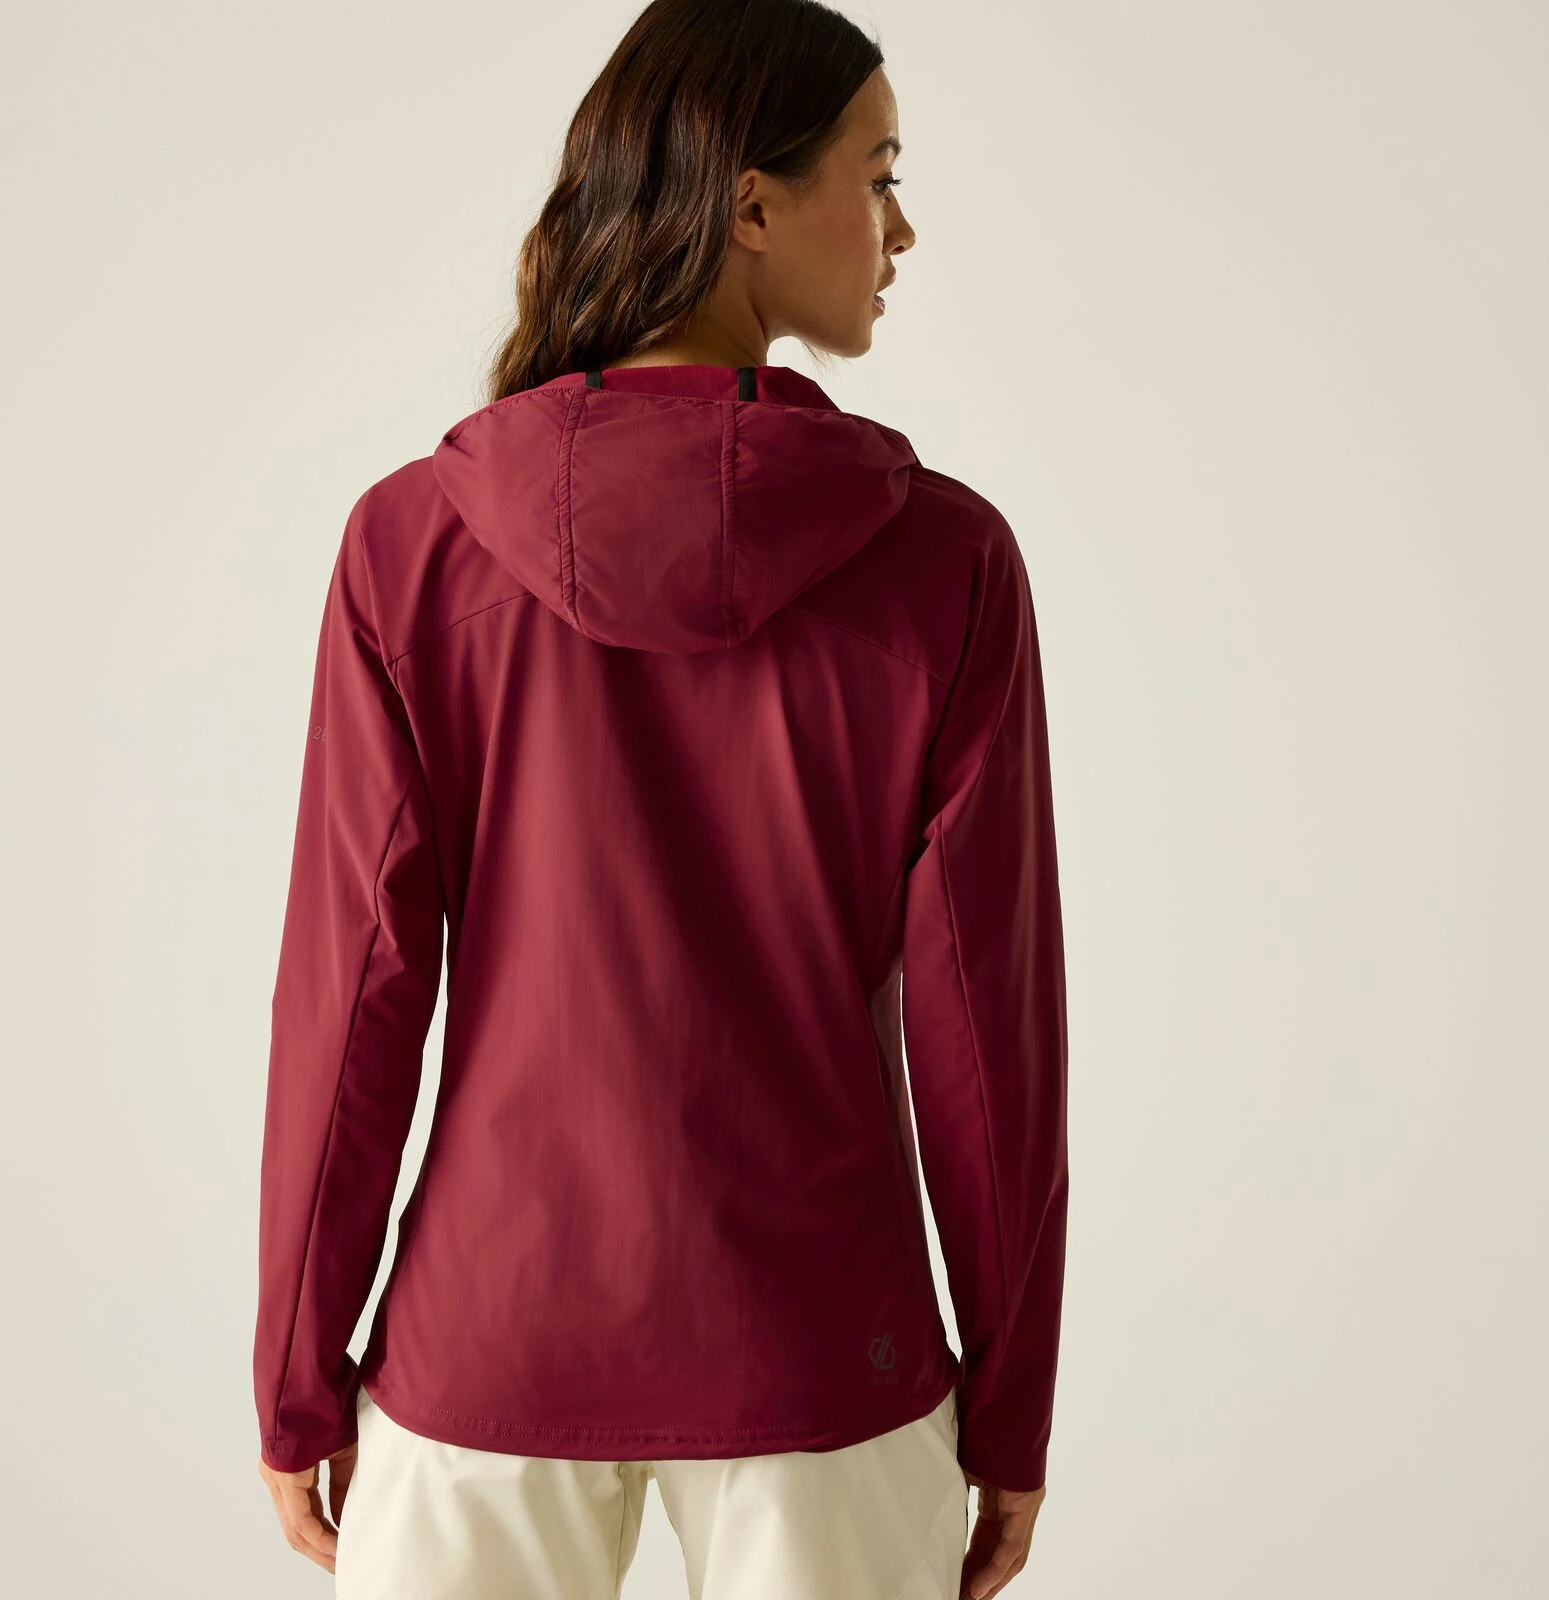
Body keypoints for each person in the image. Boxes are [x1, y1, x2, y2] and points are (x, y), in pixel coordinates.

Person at [252, 1, 1069, 1595]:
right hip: (826, 1356)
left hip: (487, 1341)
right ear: (751, 205)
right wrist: (1010, 1407)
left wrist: (298, 1369)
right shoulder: (945, 561)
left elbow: (351, 996)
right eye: (879, 175)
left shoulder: (412, 547)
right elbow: (987, 1040)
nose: (902, 230)